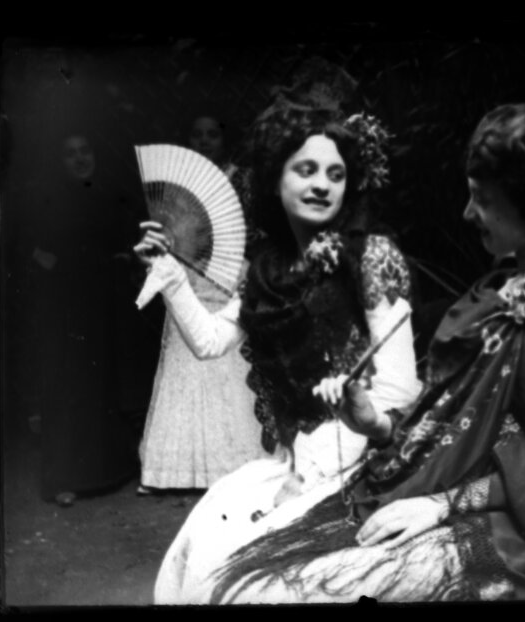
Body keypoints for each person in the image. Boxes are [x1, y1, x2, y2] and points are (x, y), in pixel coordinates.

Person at [154, 103, 525, 603]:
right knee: (232, 568)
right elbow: (443, 421)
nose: (466, 213)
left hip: (523, 522)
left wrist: (441, 505)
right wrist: (376, 424)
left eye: (480, 199)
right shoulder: (489, 293)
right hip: (409, 476)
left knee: (287, 589)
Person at [137, 83, 422, 594]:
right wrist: (173, 277)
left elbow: (400, 390)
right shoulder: (266, 270)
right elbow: (210, 341)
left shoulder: (370, 257)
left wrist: (335, 451)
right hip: (292, 464)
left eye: (335, 174)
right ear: (275, 179)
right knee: (204, 560)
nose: (322, 185)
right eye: (306, 170)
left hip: (365, 462)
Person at [136, 112, 265, 494]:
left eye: (212, 134)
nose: (205, 141)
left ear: (224, 139)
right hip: (188, 270)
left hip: (229, 271)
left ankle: (232, 463)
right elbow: (168, 229)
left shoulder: (241, 179)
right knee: (185, 354)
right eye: (198, 134)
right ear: (189, 140)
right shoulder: (178, 186)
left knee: (227, 356)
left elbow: (252, 228)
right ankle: (176, 470)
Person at [28, 132, 139, 507]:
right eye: (70, 154)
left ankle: (107, 472)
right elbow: (31, 248)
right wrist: (46, 262)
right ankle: (64, 478)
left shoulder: (107, 195)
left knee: (101, 382)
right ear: (60, 162)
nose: (80, 159)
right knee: (67, 386)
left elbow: (121, 243)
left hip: (100, 302)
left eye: (85, 151)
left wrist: (122, 258)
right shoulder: (47, 200)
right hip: (63, 306)